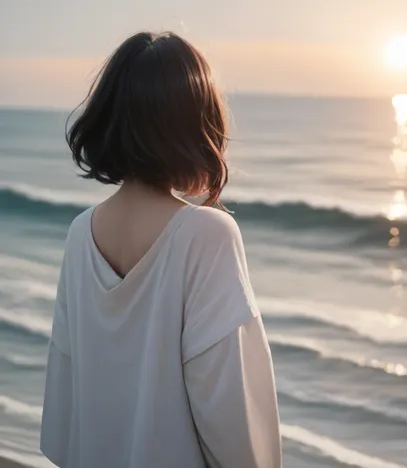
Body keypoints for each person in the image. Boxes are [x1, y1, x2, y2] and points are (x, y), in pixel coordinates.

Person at [40, 31, 282, 468]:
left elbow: (63, 415)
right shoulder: (206, 234)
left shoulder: (80, 235)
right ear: (195, 124)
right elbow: (232, 415)